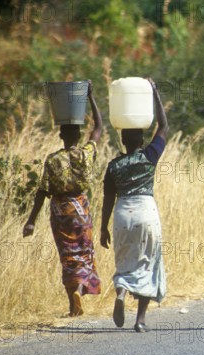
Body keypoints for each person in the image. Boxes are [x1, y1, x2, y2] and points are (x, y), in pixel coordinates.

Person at [23, 80, 103, 316]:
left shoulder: (52, 159)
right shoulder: (86, 154)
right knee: (84, 251)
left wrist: (31, 221)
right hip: (81, 208)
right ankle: (80, 287)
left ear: (60, 135)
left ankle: (72, 303)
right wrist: (91, 97)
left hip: (60, 211)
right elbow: (99, 128)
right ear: (79, 134)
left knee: (68, 254)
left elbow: (42, 192)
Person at [100, 79, 169, 333]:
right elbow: (163, 127)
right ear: (141, 139)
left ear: (122, 139)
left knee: (125, 262)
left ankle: (121, 290)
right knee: (149, 263)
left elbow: (108, 198)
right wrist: (155, 92)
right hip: (145, 212)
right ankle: (140, 320)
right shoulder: (149, 157)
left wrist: (103, 228)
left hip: (121, 215)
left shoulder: (113, 166)